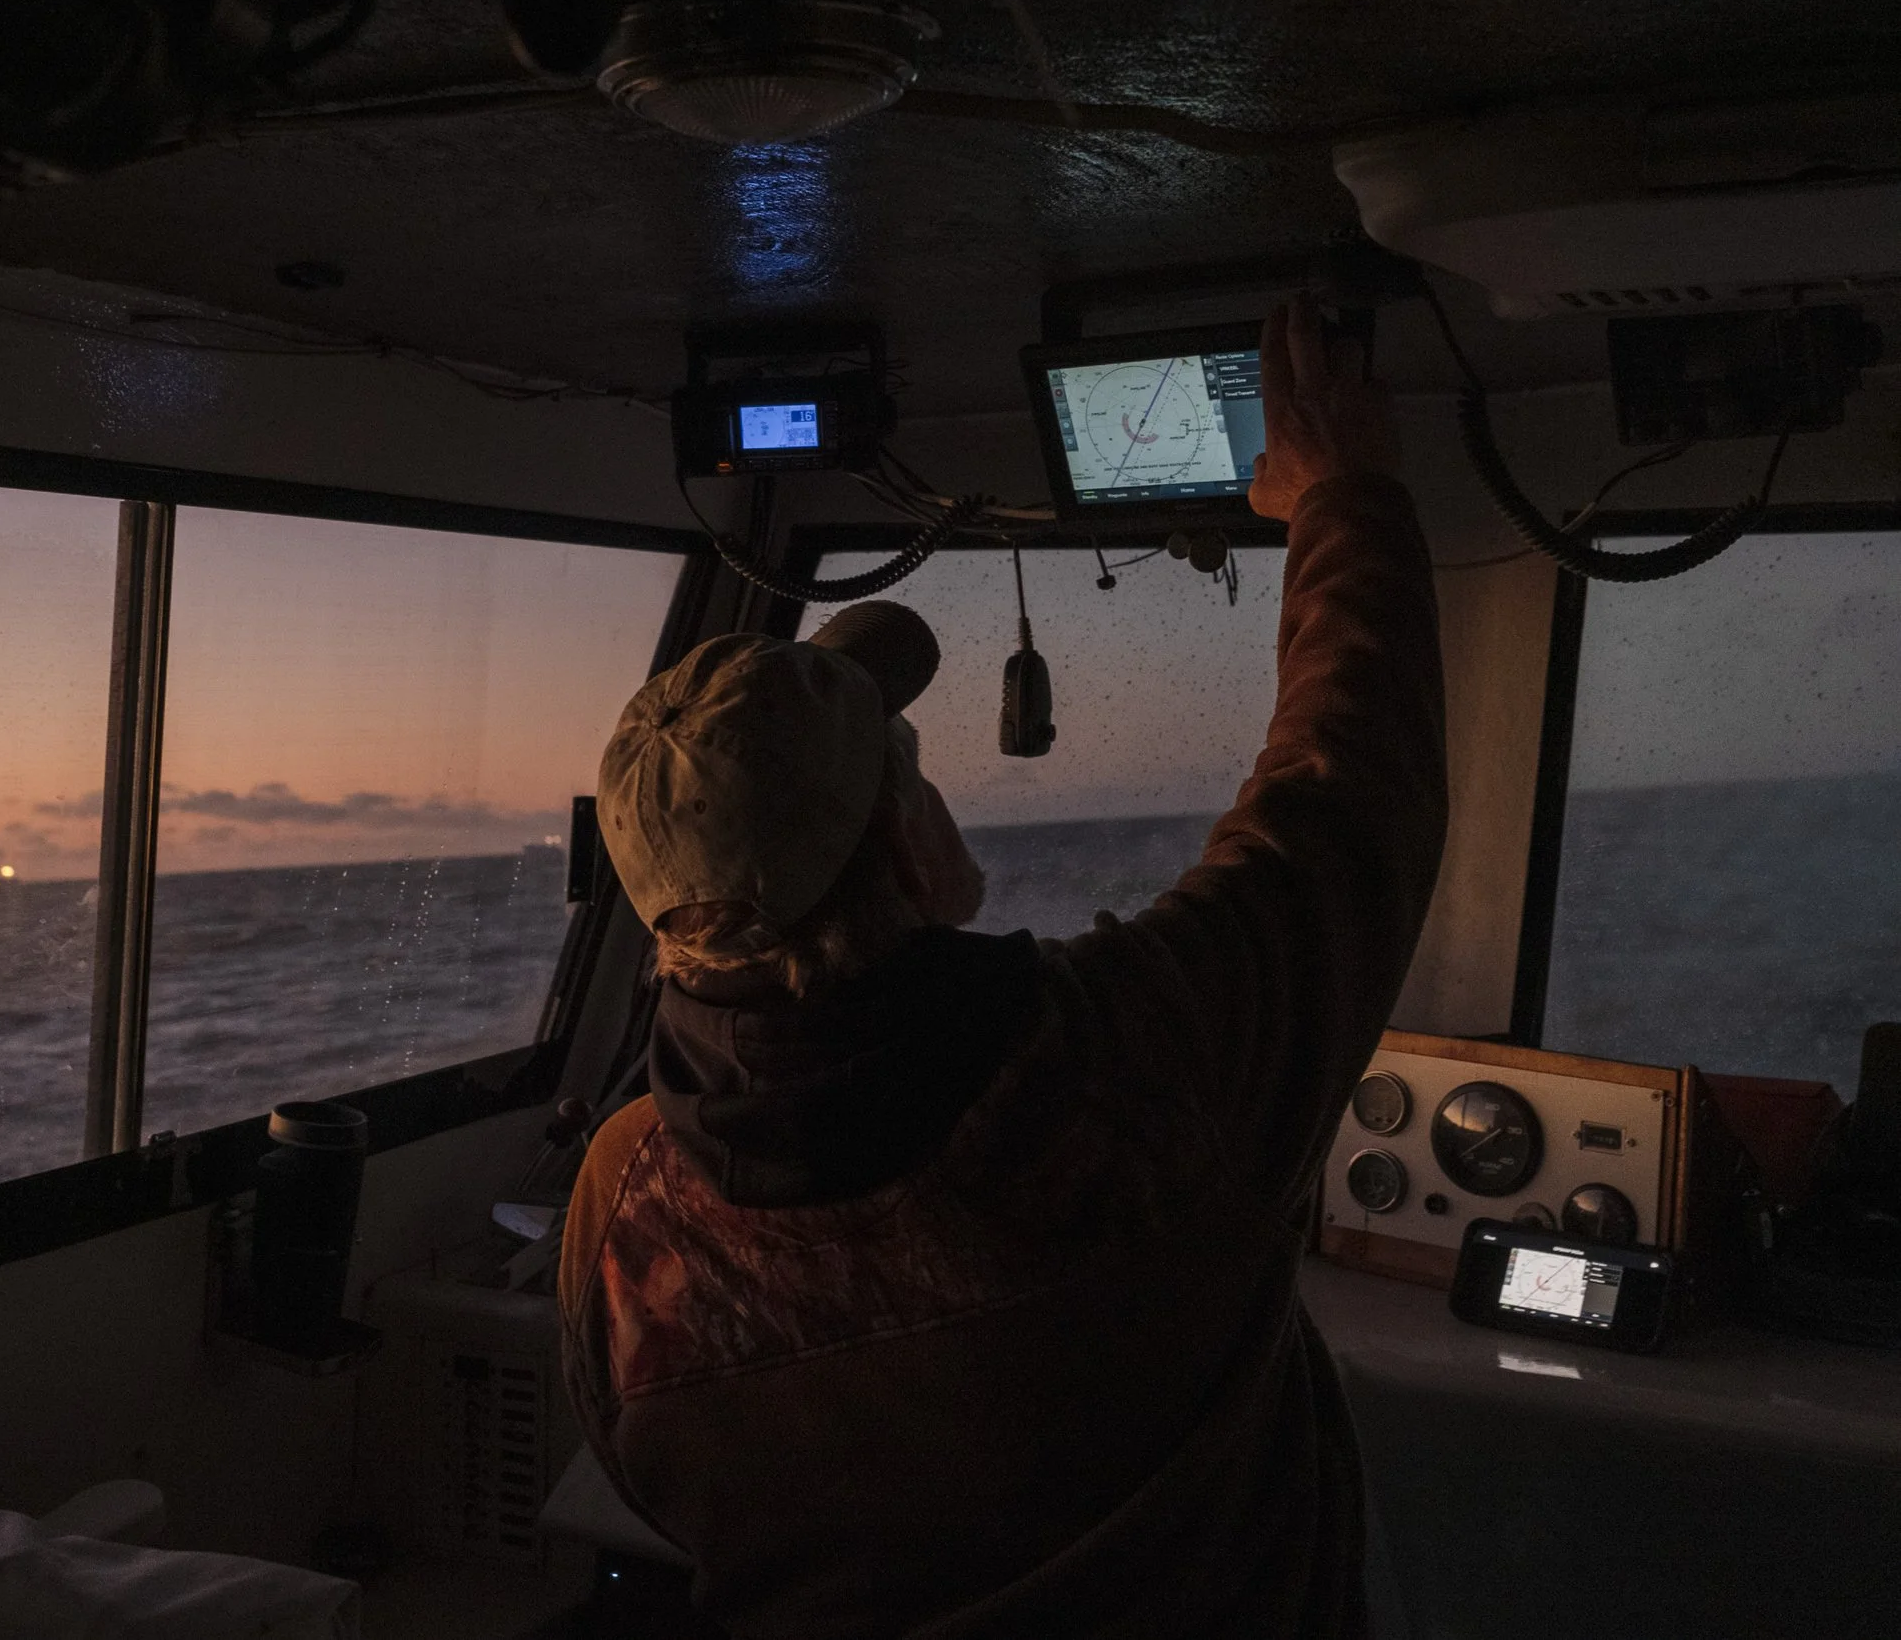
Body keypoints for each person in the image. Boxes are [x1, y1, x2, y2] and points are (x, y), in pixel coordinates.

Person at [557, 297, 1446, 1639]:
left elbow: (664, 1491)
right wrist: (1345, 498)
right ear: (906, 846)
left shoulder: (622, 1210)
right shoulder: (1131, 1074)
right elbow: (1347, 794)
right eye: (905, 772)